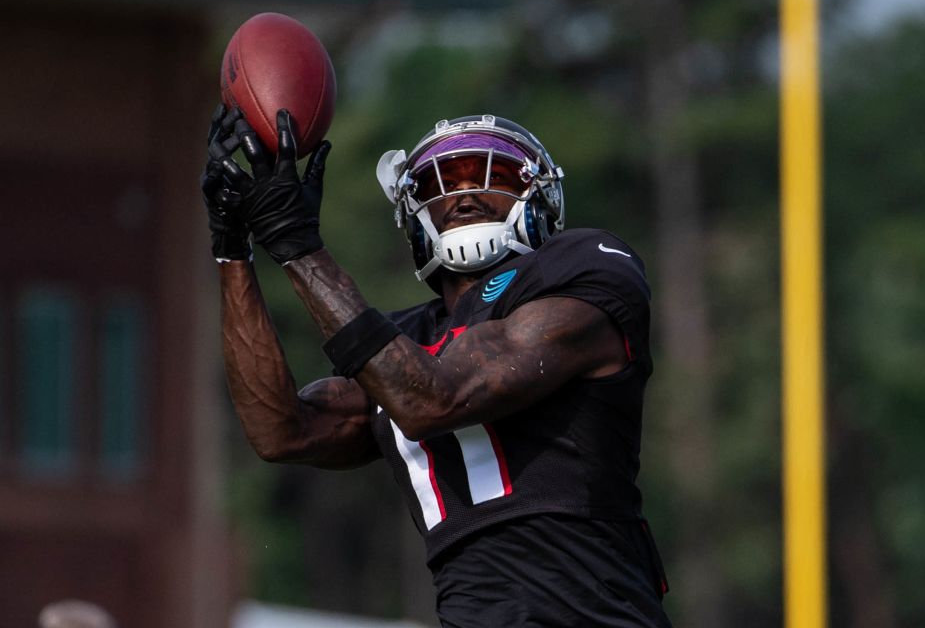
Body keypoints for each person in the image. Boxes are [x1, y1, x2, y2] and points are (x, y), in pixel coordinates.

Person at [202, 106, 670, 627]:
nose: (462, 195)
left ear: (539, 193)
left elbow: (432, 398)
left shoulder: (583, 270)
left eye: (494, 174)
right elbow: (280, 431)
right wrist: (234, 252)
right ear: (410, 211)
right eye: (438, 183)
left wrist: (297, 244)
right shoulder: (404, 340)